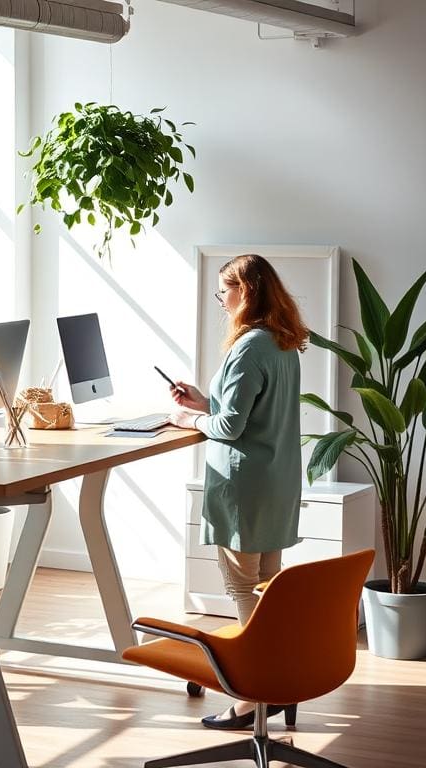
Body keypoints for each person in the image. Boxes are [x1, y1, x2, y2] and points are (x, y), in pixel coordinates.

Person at [168, 253, 308, 730]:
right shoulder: (283, 342)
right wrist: (204, 401)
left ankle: (252, 696)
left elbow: (230, 426)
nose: (221, 299)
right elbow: (252, 413)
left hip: (244, 485)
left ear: (243, 291)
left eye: (223, 290)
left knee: (243, 588)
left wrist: (191, 418)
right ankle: (282, 684)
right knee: (269, 588)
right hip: (277, 481)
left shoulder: (249, 346)